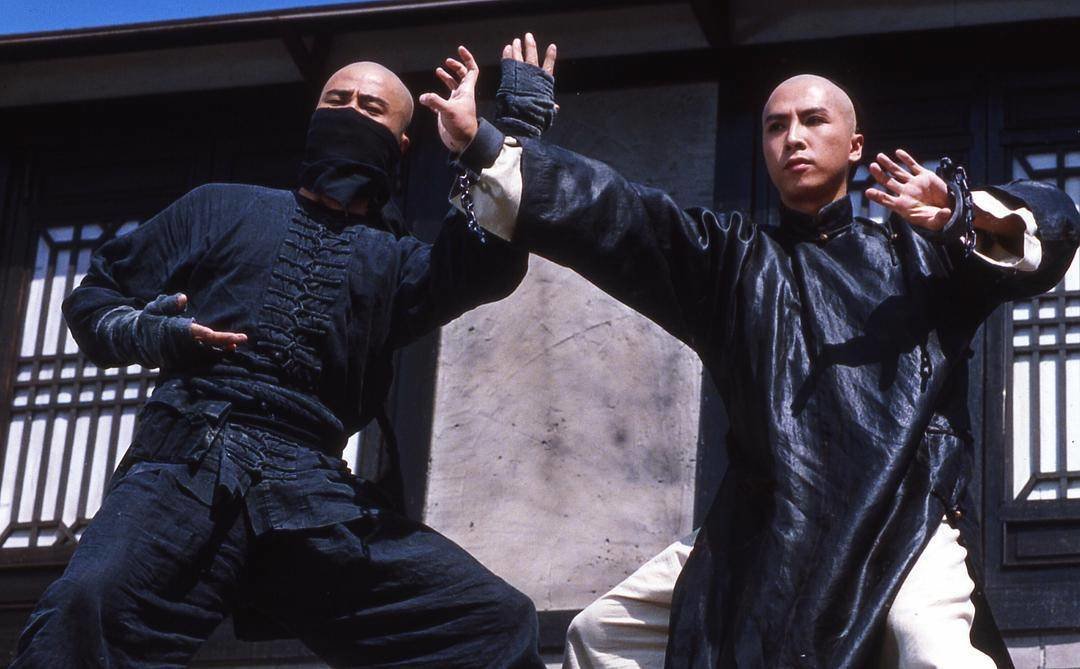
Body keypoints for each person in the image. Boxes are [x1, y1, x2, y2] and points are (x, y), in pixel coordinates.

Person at [420, 40, 1080, 668]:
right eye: (775, 126)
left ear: (854, 145)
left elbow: (1049, 230)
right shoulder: (732, 263)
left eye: (813, 121)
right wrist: (489, 142)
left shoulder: (922, 256)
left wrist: (962, 217)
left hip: (900, 519)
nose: (793, 137)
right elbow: (619, 216)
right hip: (767, 526)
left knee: (934, 648)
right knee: (601, 633)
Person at [12, 53, 557, 668]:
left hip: (311, 493)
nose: (350, 112)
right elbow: (95, 300)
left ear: (401, 145)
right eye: (336, 101)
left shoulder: (400, 263)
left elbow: (486, 264)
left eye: (371, 107)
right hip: (187, 459)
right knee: (82, 608)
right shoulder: (219, 207)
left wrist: (503, 134)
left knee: (491, 623)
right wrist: (153, 333)